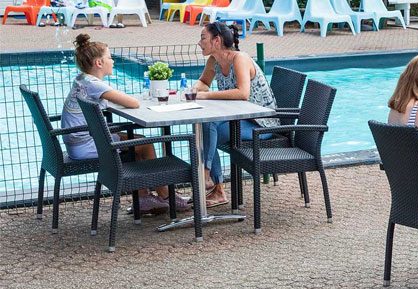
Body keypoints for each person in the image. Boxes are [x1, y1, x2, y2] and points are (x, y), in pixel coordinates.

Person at [61, 34, 188, 214]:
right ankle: (165, 194)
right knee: (144, 145)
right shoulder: (94, 85)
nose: (112, 61)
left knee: (138, 141)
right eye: (109, 58)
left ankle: (145, 198)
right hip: (87, 146)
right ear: (99, 63)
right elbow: (133, 103)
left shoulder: (82, 79)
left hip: (81, 141)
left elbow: (112, 99)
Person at [194, 22, 278, 208]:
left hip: (261, 124)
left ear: (217, 40)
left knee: (208, 128)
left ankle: (207, 177)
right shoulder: (214, 61)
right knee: (203, 126)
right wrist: (192, 89)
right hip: (239, 119)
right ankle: (215, 187)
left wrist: (204, 95)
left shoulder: (240, 59)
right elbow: (203, 82)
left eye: (203, 38)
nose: (199, 43)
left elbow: (242, 93)